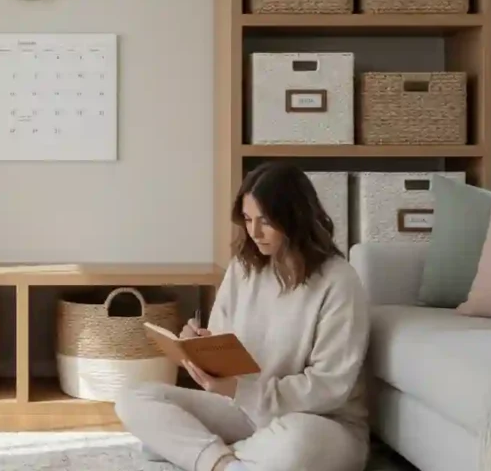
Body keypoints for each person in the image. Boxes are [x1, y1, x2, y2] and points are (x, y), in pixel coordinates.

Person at [115, 162, 371, 471]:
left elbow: (328, 388)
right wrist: (199, 347)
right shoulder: (243, 268)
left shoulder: (339, 281)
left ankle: (189, 447)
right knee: (134, 397)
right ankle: (222, 463)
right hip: (241, 409)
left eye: (266, 221)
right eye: (248, 219)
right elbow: (226, 349)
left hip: (317, 421)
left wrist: (241, 390)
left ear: (296, 218)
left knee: (298, 445)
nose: (255, 232)